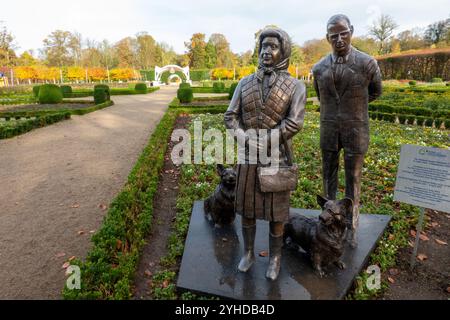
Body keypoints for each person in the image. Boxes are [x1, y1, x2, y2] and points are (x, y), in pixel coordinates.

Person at [224, 27, 306, 280]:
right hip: (247, 157)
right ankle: (248, 253)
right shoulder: (244, 83)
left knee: (276, 213)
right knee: (247, 209)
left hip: (276, 157)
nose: (266, 52)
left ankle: (275, 258)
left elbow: (294, 122)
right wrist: (244, 137)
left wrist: (269, 140)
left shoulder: (295, 86)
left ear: (284, 51)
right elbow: (230, 117)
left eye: (273, 46)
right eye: (263, 47)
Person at [312, 14, 382, 247]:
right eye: (334, 36)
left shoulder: (367, 63)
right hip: (329, 128)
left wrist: (354, 109)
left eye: (344, 33)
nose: (339, 39)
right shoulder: (318, 68)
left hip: (356, 129)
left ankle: (350, 225)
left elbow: (375, 92)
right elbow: (322, 97)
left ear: (351, 31)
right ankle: (328, 222)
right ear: (327, 38)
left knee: (354, 179)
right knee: (328, 177)